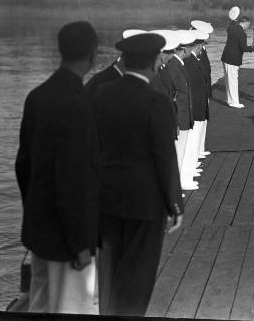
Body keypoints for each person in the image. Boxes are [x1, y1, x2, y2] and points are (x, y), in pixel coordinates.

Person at [91, 33, 183, 317]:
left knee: (107, 272)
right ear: (156, 62)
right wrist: (175, 204)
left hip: (105, 199)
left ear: (125, 60)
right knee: (137, 277)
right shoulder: (157, 103)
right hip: (145, 204)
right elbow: (164, 157)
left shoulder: (100, 94)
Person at [15, 21, 99, 314]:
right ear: (93, 55)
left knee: (39, 303)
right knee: (74, 307)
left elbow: (23, 166)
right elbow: (73, 180)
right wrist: (81, 244)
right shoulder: (78, 104)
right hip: (68, 241)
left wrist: (35, 214)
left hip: (39, 232)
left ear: (59, 51)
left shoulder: (37, 97)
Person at [155, 30, 199, 191]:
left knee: (179, 153)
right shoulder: (171, 67)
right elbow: (172, 93)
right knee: (176, 154)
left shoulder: (172, 66)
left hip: (179, 115)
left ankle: (177, 185)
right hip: (176, 116)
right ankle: (174, 187)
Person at [183, 30, 211, 178]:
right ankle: (187, 173)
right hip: (194, 106)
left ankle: (190, 167)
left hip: (199, 104)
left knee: (193, 140)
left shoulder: (193, 60)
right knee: (190, 141)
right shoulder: (190, 62)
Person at [221, 15, 254, 108]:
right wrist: (253, 48)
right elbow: (243, 48)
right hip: (232, 60)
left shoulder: (231, 28)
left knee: (228, 81)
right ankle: (234, 102)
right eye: (248, 24)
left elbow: (229, 27)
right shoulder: (242, 33)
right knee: (233, 81)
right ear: (245, 23)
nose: (248, 27)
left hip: (225, 58)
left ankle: (230, 100)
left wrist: (233, 19)